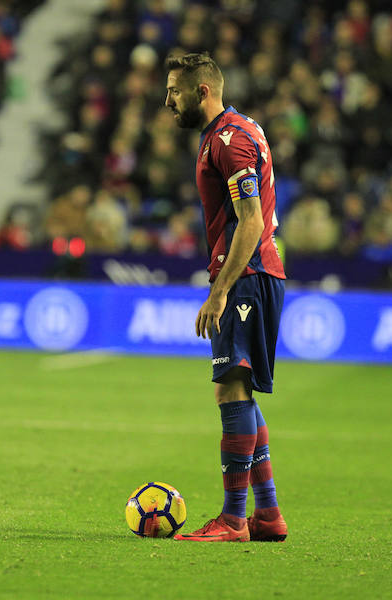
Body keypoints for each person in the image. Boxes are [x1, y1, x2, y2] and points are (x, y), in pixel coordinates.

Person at [163, 52, 288, 542]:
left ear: (202, 92)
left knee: (230, 388)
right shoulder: (234, 131)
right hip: (255, 273)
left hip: (247, 274)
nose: (166, 100)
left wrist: (219, 292)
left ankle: (234, 518)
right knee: (240, 390)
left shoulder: (229, 142)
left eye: (174, 90)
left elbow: (251, 220)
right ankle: (268, 515)